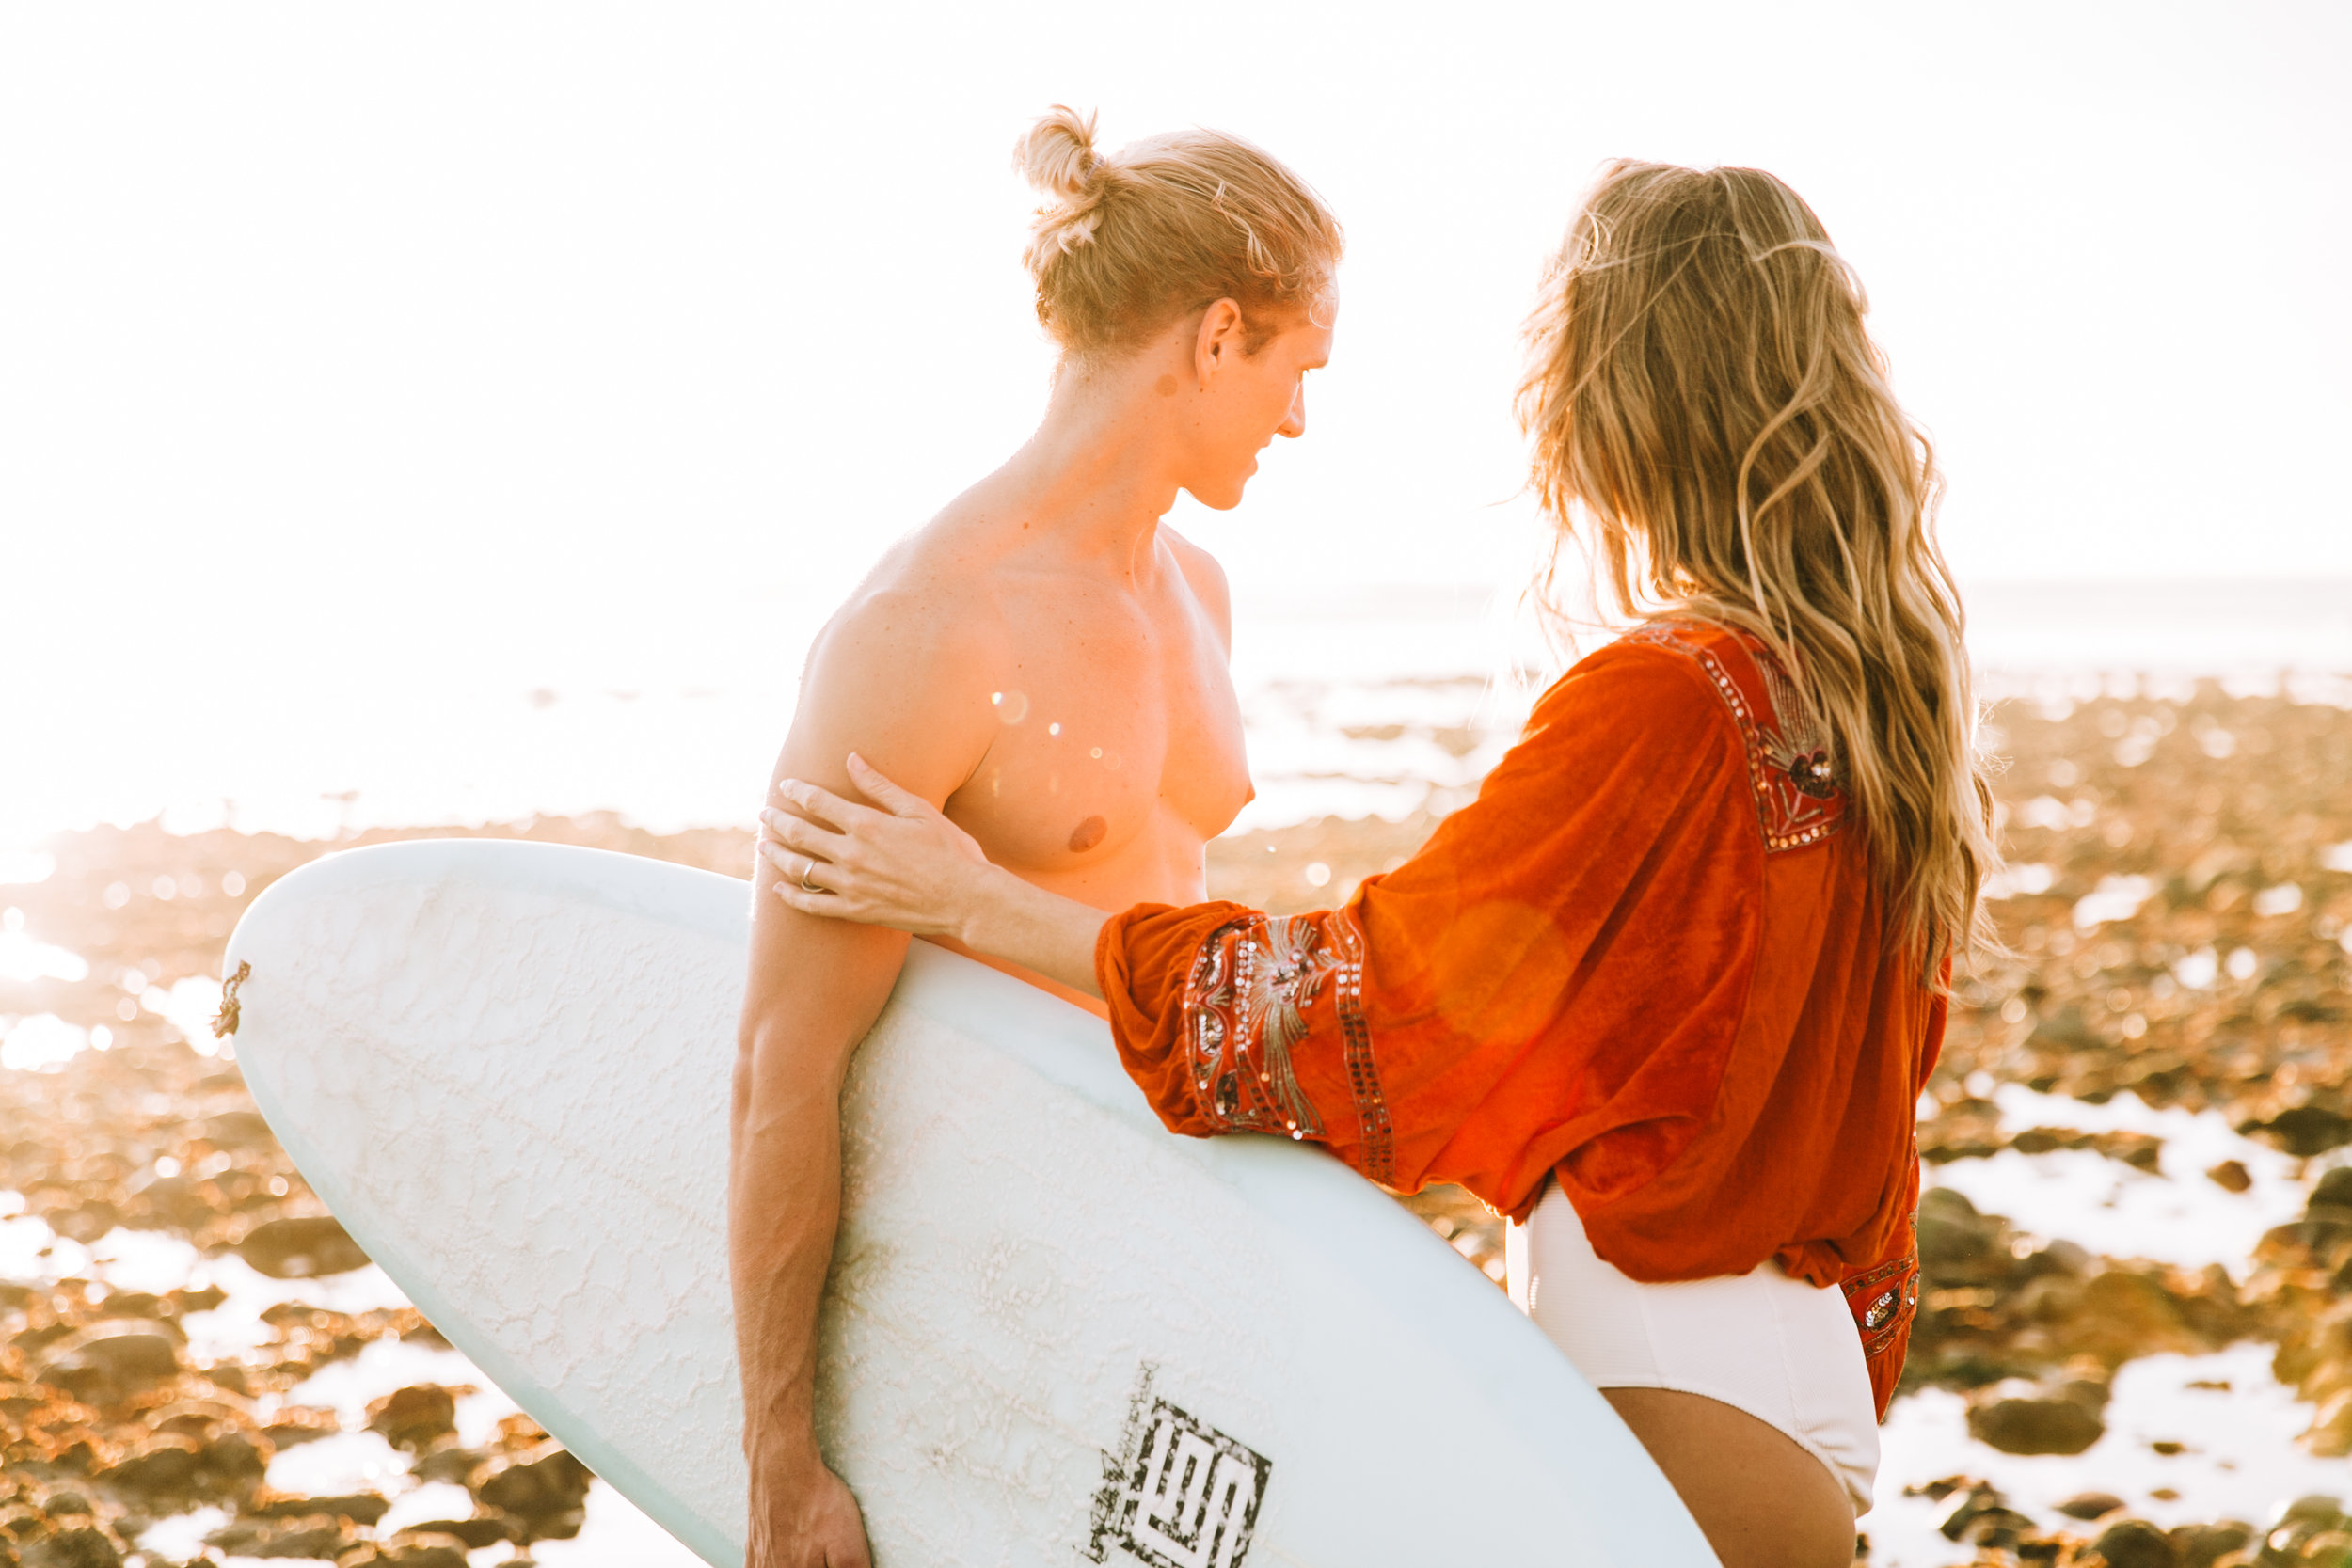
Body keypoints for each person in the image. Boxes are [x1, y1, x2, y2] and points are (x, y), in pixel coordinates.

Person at [755, 160, 2000, 1568]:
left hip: (1675, 1387)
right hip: (1794, 1381)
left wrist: (975, 902)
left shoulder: (1667, 702)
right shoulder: (1846, 699)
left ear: (1626, 392)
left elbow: (1363, 1006)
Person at [727, 107, 1340, 1568]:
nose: (1300, 422)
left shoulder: (1200, 588)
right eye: (1295, 372)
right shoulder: (931, 629)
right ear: (1214, 337)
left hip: (1166, 1253)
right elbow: (781, 1063)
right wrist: (784, 1465)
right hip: (982, 1285)